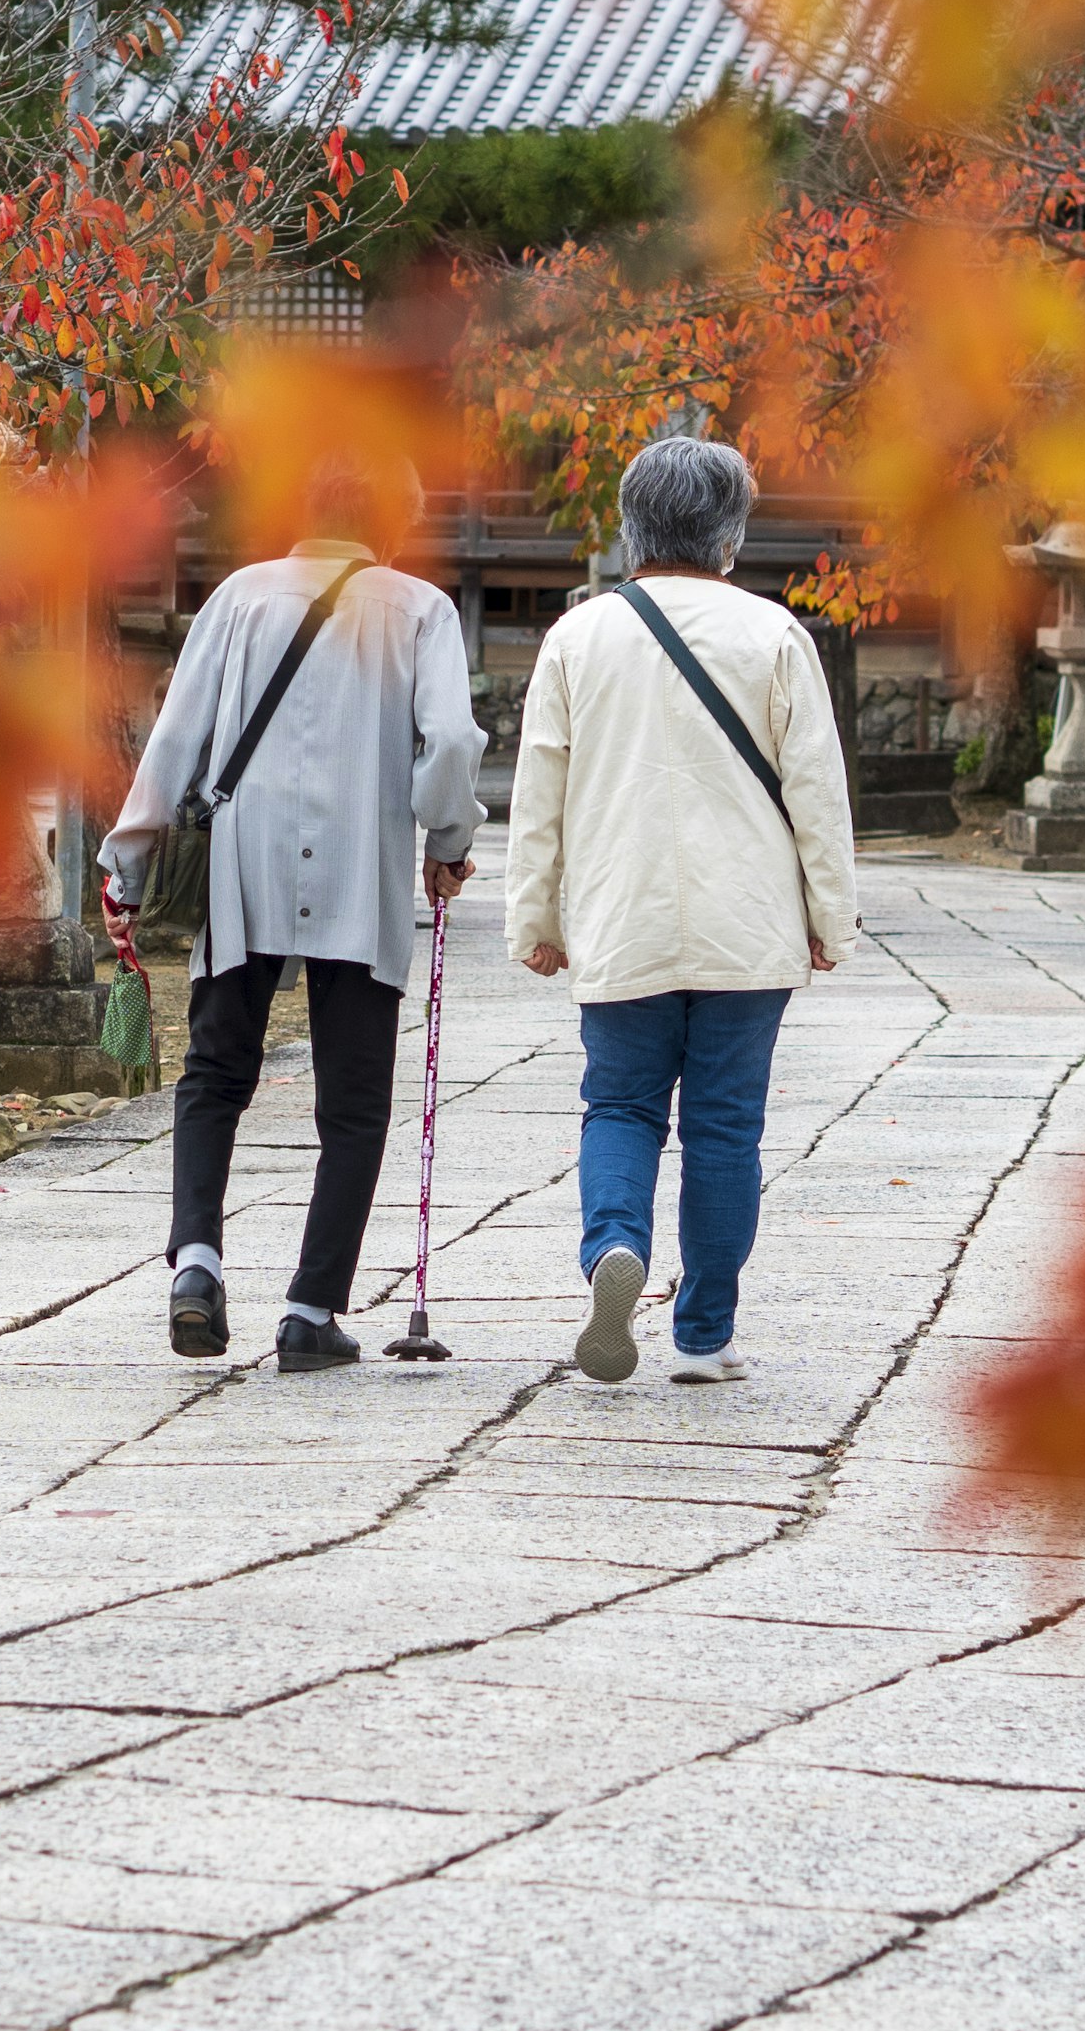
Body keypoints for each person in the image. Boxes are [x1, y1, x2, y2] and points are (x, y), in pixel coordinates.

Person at [103, 456, 485, 1371]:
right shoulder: (419, 607)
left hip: (245, 866)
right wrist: (446, 840)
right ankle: (312, 1310)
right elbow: (453, 742)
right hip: (362, 870)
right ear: (393, 521)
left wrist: (128, 861)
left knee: (214, 1074)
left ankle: (196, 1262)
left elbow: (177, 735)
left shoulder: (239, 597)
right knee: (353, 1105)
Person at [504, 435, 856, 1384]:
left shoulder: (576, 637)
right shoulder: (776, 636)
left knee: (617, 1104)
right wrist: (832, 919)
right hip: (749, 929)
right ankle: (704, 1335)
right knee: (725, 1129)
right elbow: (817, 795)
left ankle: (614, 1249)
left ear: (631, 528)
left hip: (625, 918)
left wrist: (534, 919)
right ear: (730, 536)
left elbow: (541, 793)